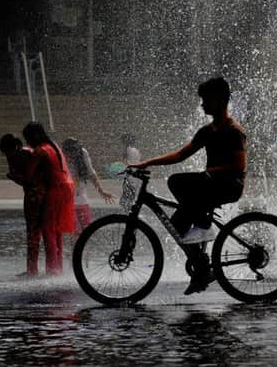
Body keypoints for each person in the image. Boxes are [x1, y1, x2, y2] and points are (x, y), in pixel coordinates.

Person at [133, 77, 246, 295]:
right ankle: (201, 265)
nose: (202, 104)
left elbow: (239, 166)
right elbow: (180, 155)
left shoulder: (233, 130)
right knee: (176, 224)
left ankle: (201, 248)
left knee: (176, 181)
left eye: (205, 100)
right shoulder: (207, 131)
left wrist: (212, 172)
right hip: (211, 184)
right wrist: (148, 162)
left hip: (229, 185)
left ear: (219, 100)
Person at [23, 122, 75, 276]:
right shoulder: (54, 146)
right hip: (68, 187)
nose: (27, 142)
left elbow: (28, 176)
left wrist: (13, 176)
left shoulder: (39, 151)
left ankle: (51, 271)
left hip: (56, 189)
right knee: (57, 230)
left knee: (48, 231)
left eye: (27, 138)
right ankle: (57, 268)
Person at [0, 133, 43, 277]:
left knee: (36, 233)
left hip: (37, 195)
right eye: (5, 153)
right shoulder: (12, 155)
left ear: (15, 147)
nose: (8, 156)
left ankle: (35, 270)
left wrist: (15, 177)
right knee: (31, 234)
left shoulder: (28, 154)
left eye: (9, 152)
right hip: (29, 195)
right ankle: (32, 269)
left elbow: (31, 179)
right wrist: (16, 178)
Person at [62, 138, 114, 239]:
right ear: (64, 151)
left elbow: (91, 173)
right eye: (68, 154)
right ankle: (75, 252)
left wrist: (101, 191)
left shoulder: (83, 153)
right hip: (67, 200)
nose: (71, 157)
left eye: (73, 153)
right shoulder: (61, 158)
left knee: (87, 230)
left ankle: (83, 253)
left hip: (81, 197)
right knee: (75, 231)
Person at [120, 133, 141, 213]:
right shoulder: (136, 150)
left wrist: (125, 171)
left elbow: (128, 164)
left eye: (123, 141)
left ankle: (128, 215)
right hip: (135, 176)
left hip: (130, 177)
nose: (123, 143)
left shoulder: (128, 150)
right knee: (131, 196)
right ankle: (130, 213)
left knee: (127, 199)